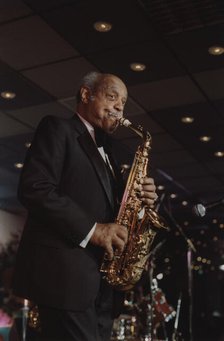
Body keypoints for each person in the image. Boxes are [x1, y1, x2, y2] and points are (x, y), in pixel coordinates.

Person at [12, 71, 158, 341]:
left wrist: (140, 204)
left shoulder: (110, 154)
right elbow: (35, 188)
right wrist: (94, 230)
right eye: (112, 96)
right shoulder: (58, 128)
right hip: (64, 281)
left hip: (101, 286)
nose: (118, 107)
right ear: (86, 94)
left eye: (123, 103)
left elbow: (117, 215)